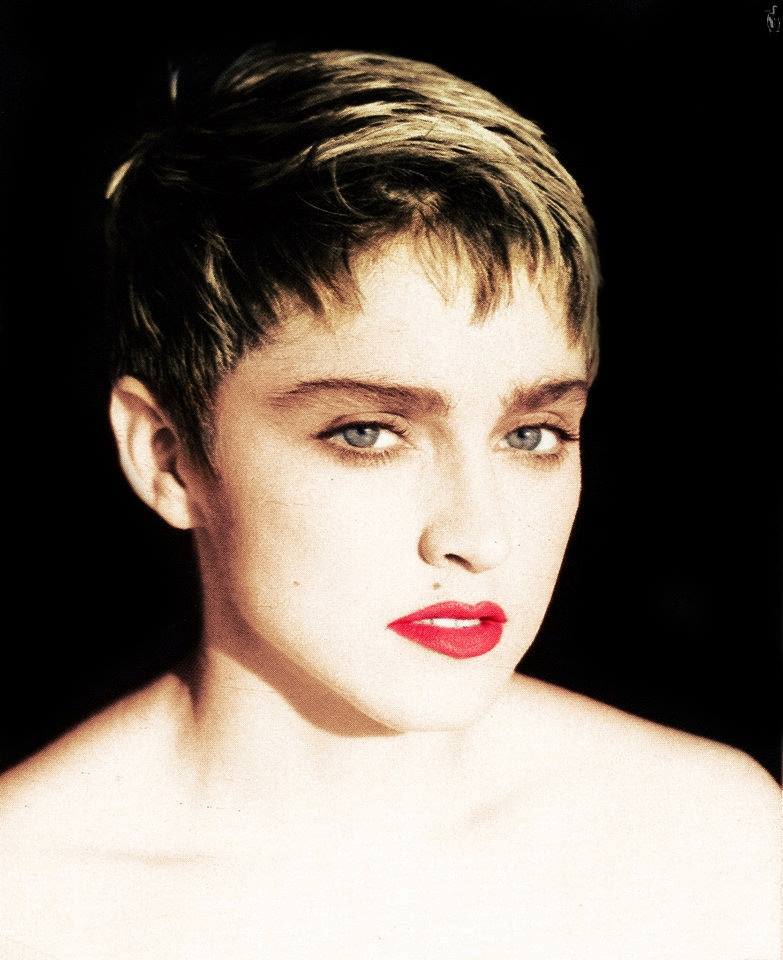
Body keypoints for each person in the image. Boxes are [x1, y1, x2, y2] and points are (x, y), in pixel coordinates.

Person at [0, 47, 778, 960]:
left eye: (532, 435)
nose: (478, 536)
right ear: (166, 456)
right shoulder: (34, 901)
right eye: (367, 432)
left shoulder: (710, 842)